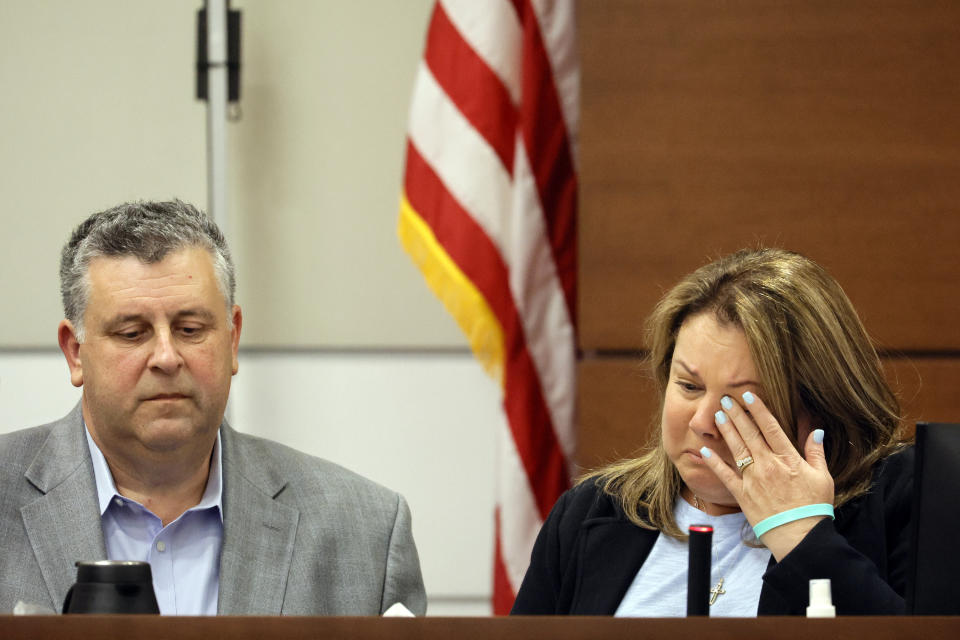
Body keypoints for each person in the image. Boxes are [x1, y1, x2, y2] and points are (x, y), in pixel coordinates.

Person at [0, 200, 426, 616]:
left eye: (190, 329)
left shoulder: (365, 532)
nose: (166, 357)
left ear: (232, 339)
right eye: (132, 333)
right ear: (75, 353)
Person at [511, 248, 911, 616]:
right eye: (689, 386)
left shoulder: (899, 499)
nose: (703, 422)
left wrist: (803, 536)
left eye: (742, 401)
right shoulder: (592, 511)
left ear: (820, 407)